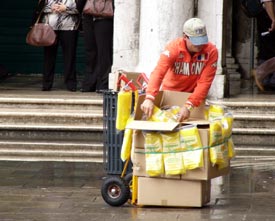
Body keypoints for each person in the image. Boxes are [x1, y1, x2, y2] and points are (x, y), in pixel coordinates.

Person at [140, 17, 218, 122]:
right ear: (185, 36)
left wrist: (189, 105)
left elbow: (205, 83)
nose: (200, 45)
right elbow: (159, 72)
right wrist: (149, 97)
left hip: (194, 97)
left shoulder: (211, 51)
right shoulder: (173, 48)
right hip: (170, 94)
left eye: (202, 40)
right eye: (196, 41)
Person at [40, 0, 81, 91]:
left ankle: (71, 84)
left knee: (69, 56)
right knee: (49, 56)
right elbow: (40, 8)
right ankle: (46, 84)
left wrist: (66, 8)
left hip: (69, 27)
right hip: (49, 27)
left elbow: (80, 8)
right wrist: (51, 8)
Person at [80, 0, 114, 92]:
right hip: (88, 16)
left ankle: (103, 83)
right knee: (90, 52)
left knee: (104, 52)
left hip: (105, 17)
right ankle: (90, 83)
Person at [252, 0, 275, 91]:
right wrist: (273, 20)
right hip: (268, 17)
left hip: (269, 16)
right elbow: (267, 1)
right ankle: (261, 74)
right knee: (268, 48)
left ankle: (263, 75)